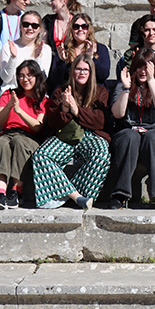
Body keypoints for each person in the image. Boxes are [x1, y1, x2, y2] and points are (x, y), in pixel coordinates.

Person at [31, 54, 111, 209]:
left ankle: (64, 194)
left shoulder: (101, 92)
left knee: (102, 155)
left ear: (91, 72)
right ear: (72, 71)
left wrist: (76, 110)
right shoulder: (60, 91)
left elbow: (100, 121)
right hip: (65, 136)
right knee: (41, 155)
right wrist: (65, 108)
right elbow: (53, 123)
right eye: (78, 69)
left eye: (85, 70)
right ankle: (77, 197)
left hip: (91, 135)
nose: (82, 73)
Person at [105, 49, 155, 210]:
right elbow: (118, 113)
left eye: (146, 67)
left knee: (153, 138)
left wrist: (151, 80)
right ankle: (120, 194)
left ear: (153, 67)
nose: (143, 71)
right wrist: (126, 89)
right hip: (128, 130)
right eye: (139, 67)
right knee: (130, 137)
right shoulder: (124, 83)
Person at [0, 60, 47, 210]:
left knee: (20, 142)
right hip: (7, 133)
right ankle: (0, 193)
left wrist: (19, 111)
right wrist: (9, 105)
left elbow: (37, 127)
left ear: (37, 76)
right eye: (21, 76)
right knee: (0, 144)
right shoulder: (9, 94)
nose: (25, 79)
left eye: (29, 75)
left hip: (29, 137)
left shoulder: (43, 100)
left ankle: (16, 191)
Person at [51, 13, 110, 92]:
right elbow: (55, 79)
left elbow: (103, 75)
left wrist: (91, 58)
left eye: (84, 26)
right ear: (71, 30)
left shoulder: (100, 49)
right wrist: (62, 61)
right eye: (76, 27)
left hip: (93, 90)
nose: (80, 29)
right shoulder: (64, 50)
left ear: (89, 29)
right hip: (69, 90)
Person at [0, 10, 53, 92]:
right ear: (20, 27)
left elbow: (42, 79)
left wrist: (37, 58)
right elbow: (6, 79)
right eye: (26, 25)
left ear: (40, 29)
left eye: (34, 26)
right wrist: (13, 58)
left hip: (34, 94)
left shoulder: (45, 49)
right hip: (11, 92)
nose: (30, 28)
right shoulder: (8, 47)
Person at [42, 0, 82, 86]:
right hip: (53, 66)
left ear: (63, 1)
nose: (50, 3)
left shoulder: (76, 22)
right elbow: (44, 44)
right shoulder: (48, 20)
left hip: (71, 65)